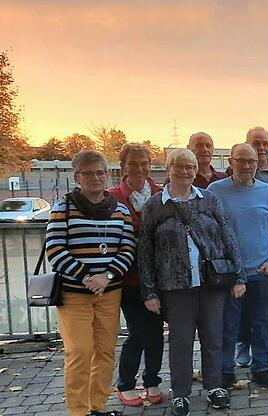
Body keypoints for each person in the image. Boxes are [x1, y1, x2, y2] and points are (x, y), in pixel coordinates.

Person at [139, 149, 245, 416]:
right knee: (181, 342)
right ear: (169, 168)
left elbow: (228, 236)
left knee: (213, 337)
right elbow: (145, 252)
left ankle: (214, 386)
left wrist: (239, 276)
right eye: (180, 166)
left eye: (191, 167)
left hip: (212, 284)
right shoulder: (154, 205)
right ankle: (181, 393)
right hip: (175, 288)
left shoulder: (208, 199)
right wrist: (150, 291)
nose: (186, 172)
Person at [46, 150, 136, 416]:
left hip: (109, 292)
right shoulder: (63, 207)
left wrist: (106, 276)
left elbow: (128, 248)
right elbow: (55, 249)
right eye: (88, 173)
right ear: (77, 177)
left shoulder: (119, 209)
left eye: (100, 172)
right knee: (79, 353)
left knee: (106, 351)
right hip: (75, 294)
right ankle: (78, 411)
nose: (95, 178)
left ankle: (99, 407)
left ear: (107, 175)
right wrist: (86, 276)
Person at [208, 144, 268, 389]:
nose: (246, 166)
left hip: (262, 273)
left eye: (251, 161)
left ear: (258, 163)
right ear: (231, 162)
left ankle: (261, 368)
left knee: (262, 325)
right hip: (229, 275)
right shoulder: (215, 191)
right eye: (241, 161)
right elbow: (209, 234)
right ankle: (225, 371)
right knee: (228, 326)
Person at [108, 144, 164, 407]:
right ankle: (126, 383)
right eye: (133, 163)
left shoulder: (160, 193)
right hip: (129, 278)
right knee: (137, 332)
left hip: (158, 277)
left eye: (144, 163)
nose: (140, 168)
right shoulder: (113, 197)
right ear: (123, 166)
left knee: (155, 332)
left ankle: (152, 381)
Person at [235, 127, 268, 368]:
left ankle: (263, 357)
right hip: (235, 267)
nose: (262, 147)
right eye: (257, 143)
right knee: (239, 315)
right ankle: (241, 346)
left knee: (266, 312)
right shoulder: (224, 183)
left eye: (265, 143)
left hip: (266, 261)